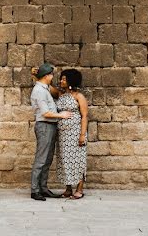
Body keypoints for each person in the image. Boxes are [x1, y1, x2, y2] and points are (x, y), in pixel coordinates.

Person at [29, 63, 72, 201]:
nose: (53, 77)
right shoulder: (39, 91)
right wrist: (62, 115)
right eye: (51, 75)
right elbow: (46, 113)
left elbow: (55, 92)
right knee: (41, 159)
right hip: (45, 125)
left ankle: (43, 188)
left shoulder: (45, 87)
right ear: (47, 76)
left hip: (51, 126)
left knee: (47, 160)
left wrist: (36, 74)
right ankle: (35, 190)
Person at [55, 68, 89, 199]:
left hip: (75, 134)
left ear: (71, 81)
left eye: (64, 79)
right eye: (61, 79)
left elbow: (84, 116)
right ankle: (68, 188)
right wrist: (35, 77)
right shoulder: (60, 95)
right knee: (65, 160)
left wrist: (82, 135)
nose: (61, 81)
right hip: (63, 135)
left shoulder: (78, 96)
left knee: (78, 160)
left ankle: (79, 189)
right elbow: (46, 86)